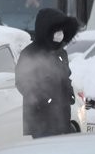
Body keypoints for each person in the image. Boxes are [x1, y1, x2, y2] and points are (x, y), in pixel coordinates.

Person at [15, 8, 80, 138]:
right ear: (47, 30)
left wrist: (70, 93)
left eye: (62, 30)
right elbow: (22, 81)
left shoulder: (61, 53)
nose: (60, 34)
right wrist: (42, 99)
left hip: (62, 118)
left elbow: (65, 77)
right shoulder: (30, 53)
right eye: (56, 30)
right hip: (40, 120)